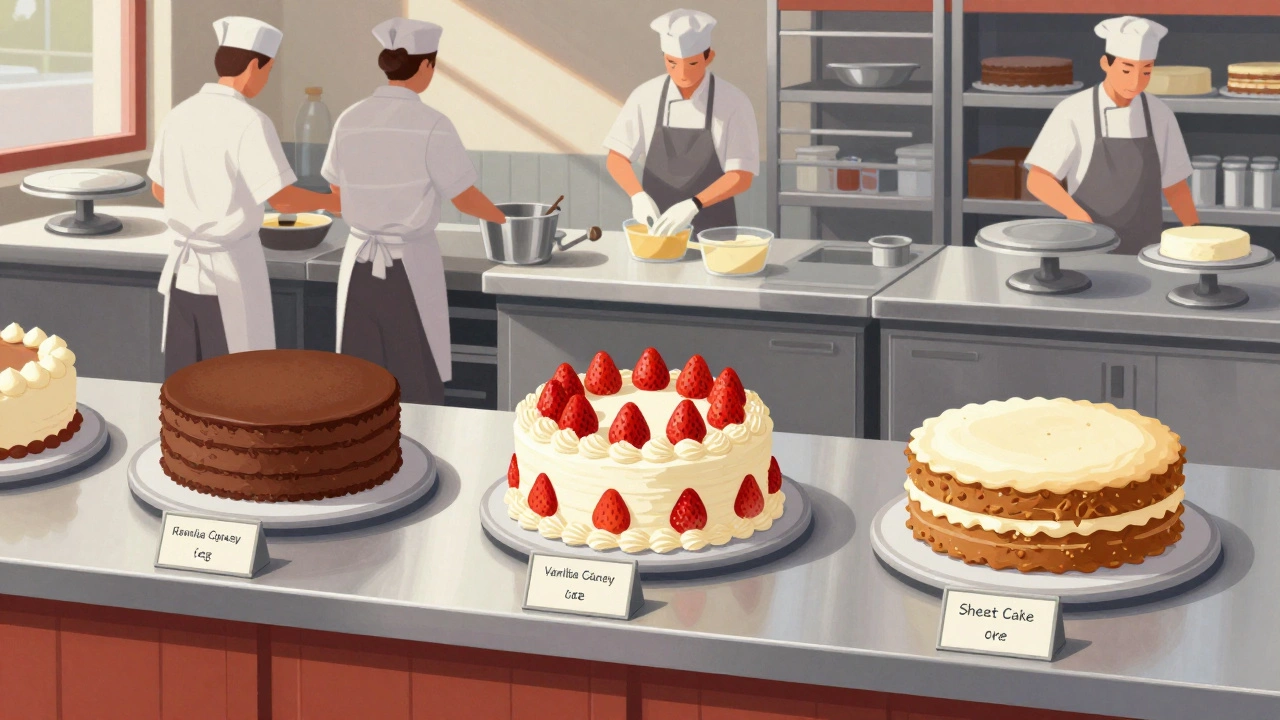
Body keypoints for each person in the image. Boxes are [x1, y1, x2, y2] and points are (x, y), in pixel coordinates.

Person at [322, 18, 506, 405]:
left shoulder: (349, 119)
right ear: (425, 66)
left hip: (357, 266)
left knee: (360, 387)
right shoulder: (432, 124)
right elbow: (464, 197)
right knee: (415, 382)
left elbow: (336, 193)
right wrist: (507, 221)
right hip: (406, 270)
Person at [148, 16, 338, 376]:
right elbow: (282, 200)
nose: (266, 80)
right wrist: (334, 202)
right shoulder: (250, 121)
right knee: (237, 383)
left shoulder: (179, 114)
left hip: (183, 275)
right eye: (267, 70)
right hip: (228, 275)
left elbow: (160, 189)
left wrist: (197, 208)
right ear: (254, 65)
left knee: (185, 383)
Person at [1025, 16, 1197, 255]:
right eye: (1127, 70)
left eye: (1146, 71)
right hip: (1087, 246)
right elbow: (1039, 178)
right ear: (1105, 63)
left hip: (1147, 251)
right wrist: (1076, 215)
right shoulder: (1073, 111)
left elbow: (1175, 185)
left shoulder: (1160, 114)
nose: (1136, 81)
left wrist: (1196, 231)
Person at [605, 9, 759, 237]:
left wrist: (694, 204)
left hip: (714, 233)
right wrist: (637, 195)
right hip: (657, 230)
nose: (683, 73)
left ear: (709, 57)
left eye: (693, 63)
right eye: (672, 63)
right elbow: (617, 157)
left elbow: (741, 175)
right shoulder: (645, 95)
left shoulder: (734, 102)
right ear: (664, 58)